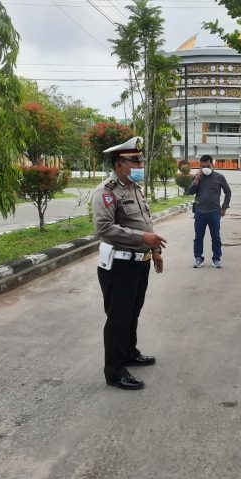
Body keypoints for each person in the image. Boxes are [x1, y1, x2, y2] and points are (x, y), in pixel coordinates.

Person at [92, 136, 166, 390]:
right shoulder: (107, 192)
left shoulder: (134, 189)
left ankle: (129, 352)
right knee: (118, 318)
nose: (139, 164)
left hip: (139, 262)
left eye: (140, 159)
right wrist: (143, 238)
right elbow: (104, 229)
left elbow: (144, 222)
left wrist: (154, 249)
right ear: (119, 164)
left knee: (133, 313)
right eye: (134, 160)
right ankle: (114, 371)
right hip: (119, 266)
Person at [186, 155, 231, 268]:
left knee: (215, 237)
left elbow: (228, 192)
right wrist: (196, 179)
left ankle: (216, 258)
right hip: (200, 212)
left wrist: (224, 207)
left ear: (212, 165)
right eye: (203, 166)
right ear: (200, 166)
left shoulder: (219, 177)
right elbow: (190, 192)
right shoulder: (197, 177)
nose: (206, 168)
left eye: (208, 165)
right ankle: (198, 258)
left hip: (214, 212)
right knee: (198, 237)